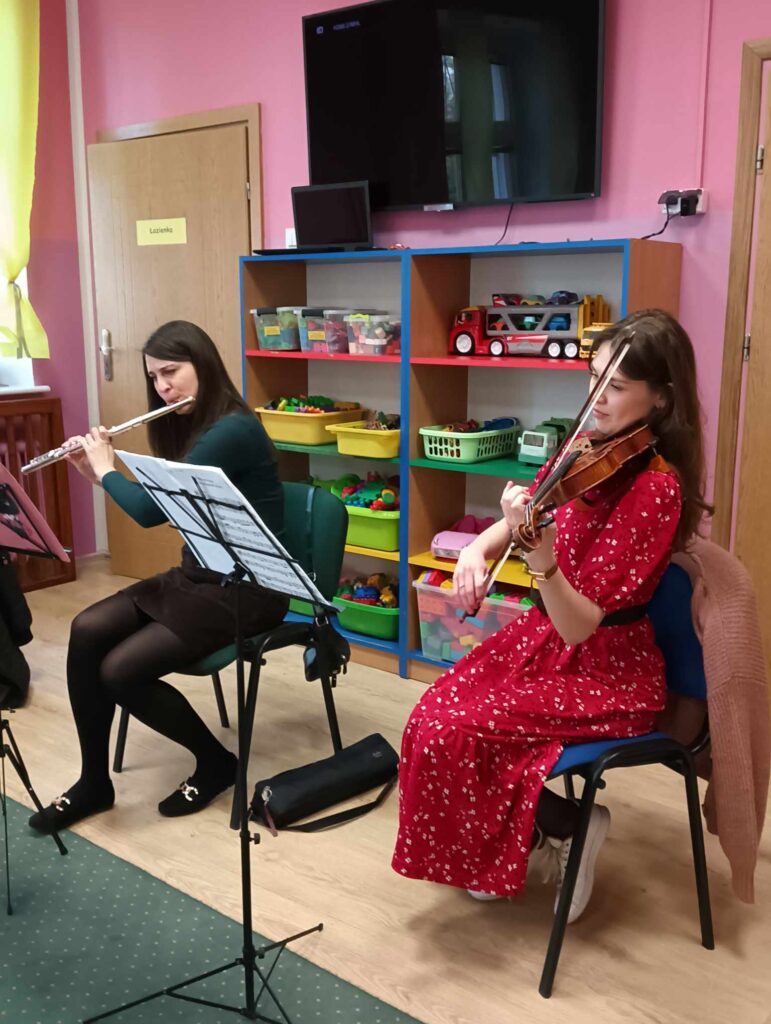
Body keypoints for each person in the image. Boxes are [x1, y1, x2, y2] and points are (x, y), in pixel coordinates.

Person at [392, 309, 713, 922]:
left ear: (661, 397)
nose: (598, 397)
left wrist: (541, 562)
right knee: (430, 718)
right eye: (594, 378)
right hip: (543, 643)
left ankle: (572, 827)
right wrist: (480, 549)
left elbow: (580, 624)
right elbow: (530, 511)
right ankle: (536, 833)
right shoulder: (584, 449)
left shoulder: (656, 489)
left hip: (607, 669)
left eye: (616, 386)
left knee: (461, 729)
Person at [29, 321, 288, 835]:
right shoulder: (195, 426)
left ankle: (216, 763)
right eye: (154, 377)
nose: (163, 387)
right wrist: (94, 471)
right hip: (200, 574)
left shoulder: (233, 430)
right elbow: (166, 507)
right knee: (86, 629)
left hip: (251, 587)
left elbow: (149, 513)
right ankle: (93, 783)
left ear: (203, 364)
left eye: (171, 372)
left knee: (120, 671)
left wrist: (107, 468)